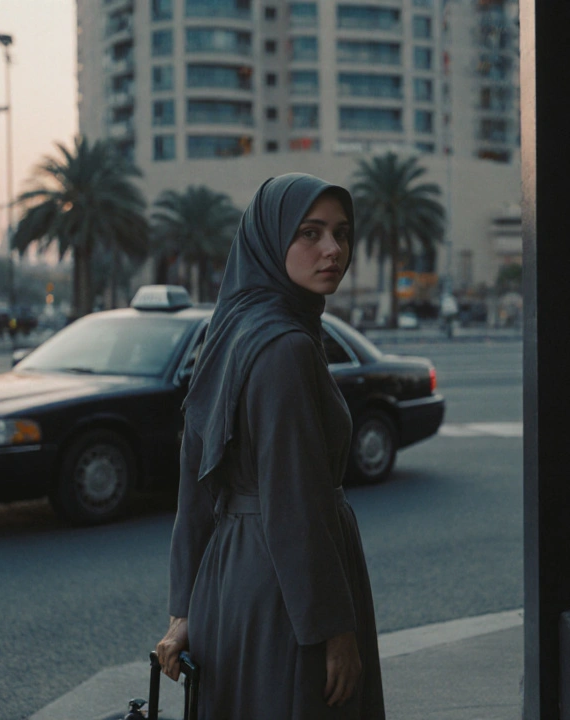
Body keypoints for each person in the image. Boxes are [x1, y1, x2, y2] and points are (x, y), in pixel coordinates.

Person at [156, 173, 385, 718]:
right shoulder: (285, 347)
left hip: (227, 587)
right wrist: (334, 631)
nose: (332, 249)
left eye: (342, 233)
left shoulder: (232, 328)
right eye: (309, 233)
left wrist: (183, 607)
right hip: (288, 601)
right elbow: (294, 505)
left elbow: (194, 482)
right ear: (269, 238)